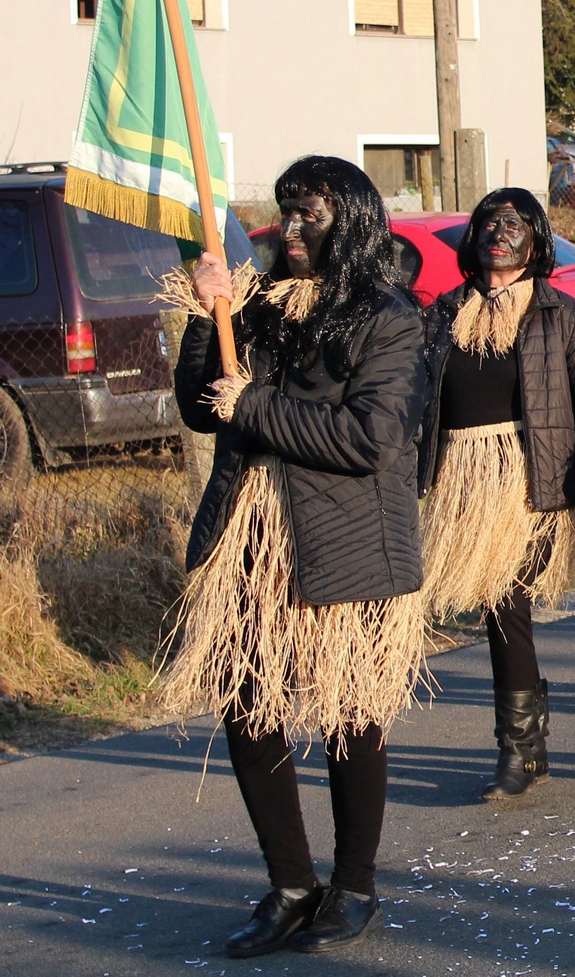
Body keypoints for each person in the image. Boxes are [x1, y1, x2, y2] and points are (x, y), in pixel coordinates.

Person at [159, 156, 427, 956]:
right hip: (249, 537)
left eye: (311, 214)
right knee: (248, 703)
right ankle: (290, 886)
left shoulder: (389, 315)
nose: (295, 228)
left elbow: (373, 438)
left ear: (350, 217)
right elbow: (203, 411)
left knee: (350, 713)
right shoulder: (262, 303)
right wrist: (213, 315)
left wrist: (259, 405)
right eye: (287, 214)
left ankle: (355, 886)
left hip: (343, 538)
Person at [417, 189, 575, 800]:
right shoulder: (442, 315)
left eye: (515, 225)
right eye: (489, 223)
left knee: (508, 598)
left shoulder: (563, 317)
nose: (499, 233)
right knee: (499, 609)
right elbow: (413, 408)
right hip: (464, 485)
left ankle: (518, 752)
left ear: (537, 241)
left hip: (534, 480)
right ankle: (525, 746)